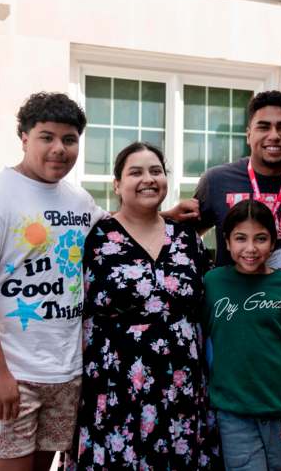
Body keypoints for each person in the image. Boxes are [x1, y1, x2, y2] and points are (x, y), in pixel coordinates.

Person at [0, 92, 101, 471]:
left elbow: (118, 228)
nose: (59, 149)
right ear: (25, 138)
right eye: (46, 137)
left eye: (69, 139)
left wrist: (164, 213)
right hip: (9, 372)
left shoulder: (79, 200)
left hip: (64, 373)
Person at [67, 142, 220, 470]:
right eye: (135, 172)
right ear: (117, 185)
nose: (148, 179)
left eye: (156, 171)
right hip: (114, 386)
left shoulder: (187, 239)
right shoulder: (94, 237)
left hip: (181, 387)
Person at [203, 199, 281, 471]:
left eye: (261, 238)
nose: (251, 249)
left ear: (274, 241)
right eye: (240, 238)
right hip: (234, 414)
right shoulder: (213, 283)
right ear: (227, 241)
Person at [164, 90, 281, 277]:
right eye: (263, 127)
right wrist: (167, 216)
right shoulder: (216, 180)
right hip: (228, 302)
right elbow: (186, 238)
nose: (274, 135)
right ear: (248, 135)